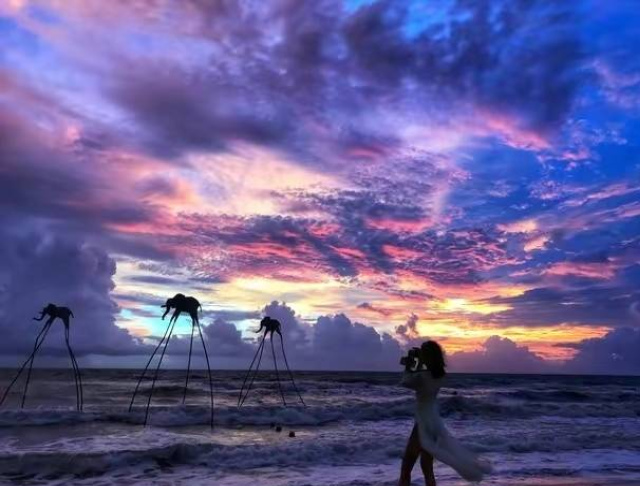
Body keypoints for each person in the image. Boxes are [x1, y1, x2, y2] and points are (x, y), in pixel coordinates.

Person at [398, 341, 491, 485]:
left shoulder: (422, 376)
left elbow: (405, 382)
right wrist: (417, 364)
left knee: (406, 467)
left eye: (423, 353)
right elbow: (419, 377)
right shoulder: (440, 375)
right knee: (427, 468)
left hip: (423, 423)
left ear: (427, 356)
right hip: (434, 421)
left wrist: (410, 365)